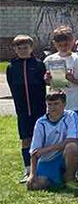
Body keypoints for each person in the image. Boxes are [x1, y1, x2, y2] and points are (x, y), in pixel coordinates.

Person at [8, 35, 48, 183]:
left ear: (31, 48)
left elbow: (45, 83)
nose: (23, 50)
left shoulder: (39, 65)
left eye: (25, 47)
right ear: (15, 49)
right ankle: (28, 170)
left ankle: (42, 168)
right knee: (26, 139)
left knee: (41, 138)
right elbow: (12, 87)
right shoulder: (12, 67)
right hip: (23, 110)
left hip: (39, 108)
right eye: (19, 48)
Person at [26, 91, 78, 190]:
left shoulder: (71, 116)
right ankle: (59, 179)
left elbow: (72, 140)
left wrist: (45, 150)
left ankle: (70, 178)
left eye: (56, 104)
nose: (52, 107)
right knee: (34, 185)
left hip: (66, 155)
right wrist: (32, 174)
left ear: (64, 104)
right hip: (47, 160)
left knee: (72, 147)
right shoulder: (41, 123)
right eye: (49, 104)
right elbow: (34, 152)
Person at [43, 26, 78, 144]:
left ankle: (77, 156)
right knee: (57, 137)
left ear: (72, 41)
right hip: (56, 105)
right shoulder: (49, 60)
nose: (63, 47)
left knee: (76, 138)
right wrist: (47, 80)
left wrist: (73, 79)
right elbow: (47, 83)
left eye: (66, 44)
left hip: (75, 104)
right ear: (55, 44)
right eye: (60, 45)